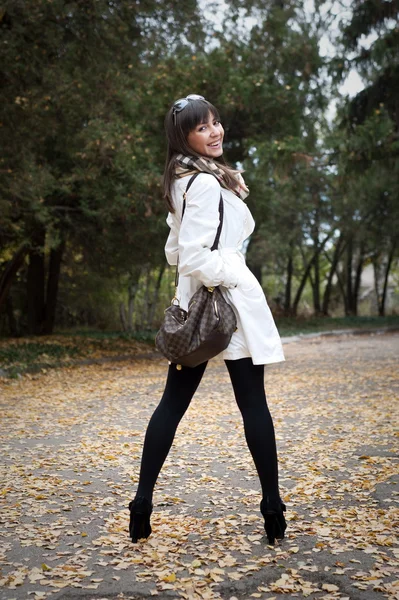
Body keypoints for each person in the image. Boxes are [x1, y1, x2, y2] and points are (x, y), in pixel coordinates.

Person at [128, 94, 287, 545]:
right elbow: (193, 257)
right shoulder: (201, 182)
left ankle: (142, 503)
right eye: (203, 128)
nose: (214, 132)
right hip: (222, 305)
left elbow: (174, 250)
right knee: (253, 404)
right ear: (184, 136)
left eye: (216, 123)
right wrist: (231, 271)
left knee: (173, 405)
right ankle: (272, 507)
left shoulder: (183, 179)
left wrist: (212, 262)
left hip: (199, 303)